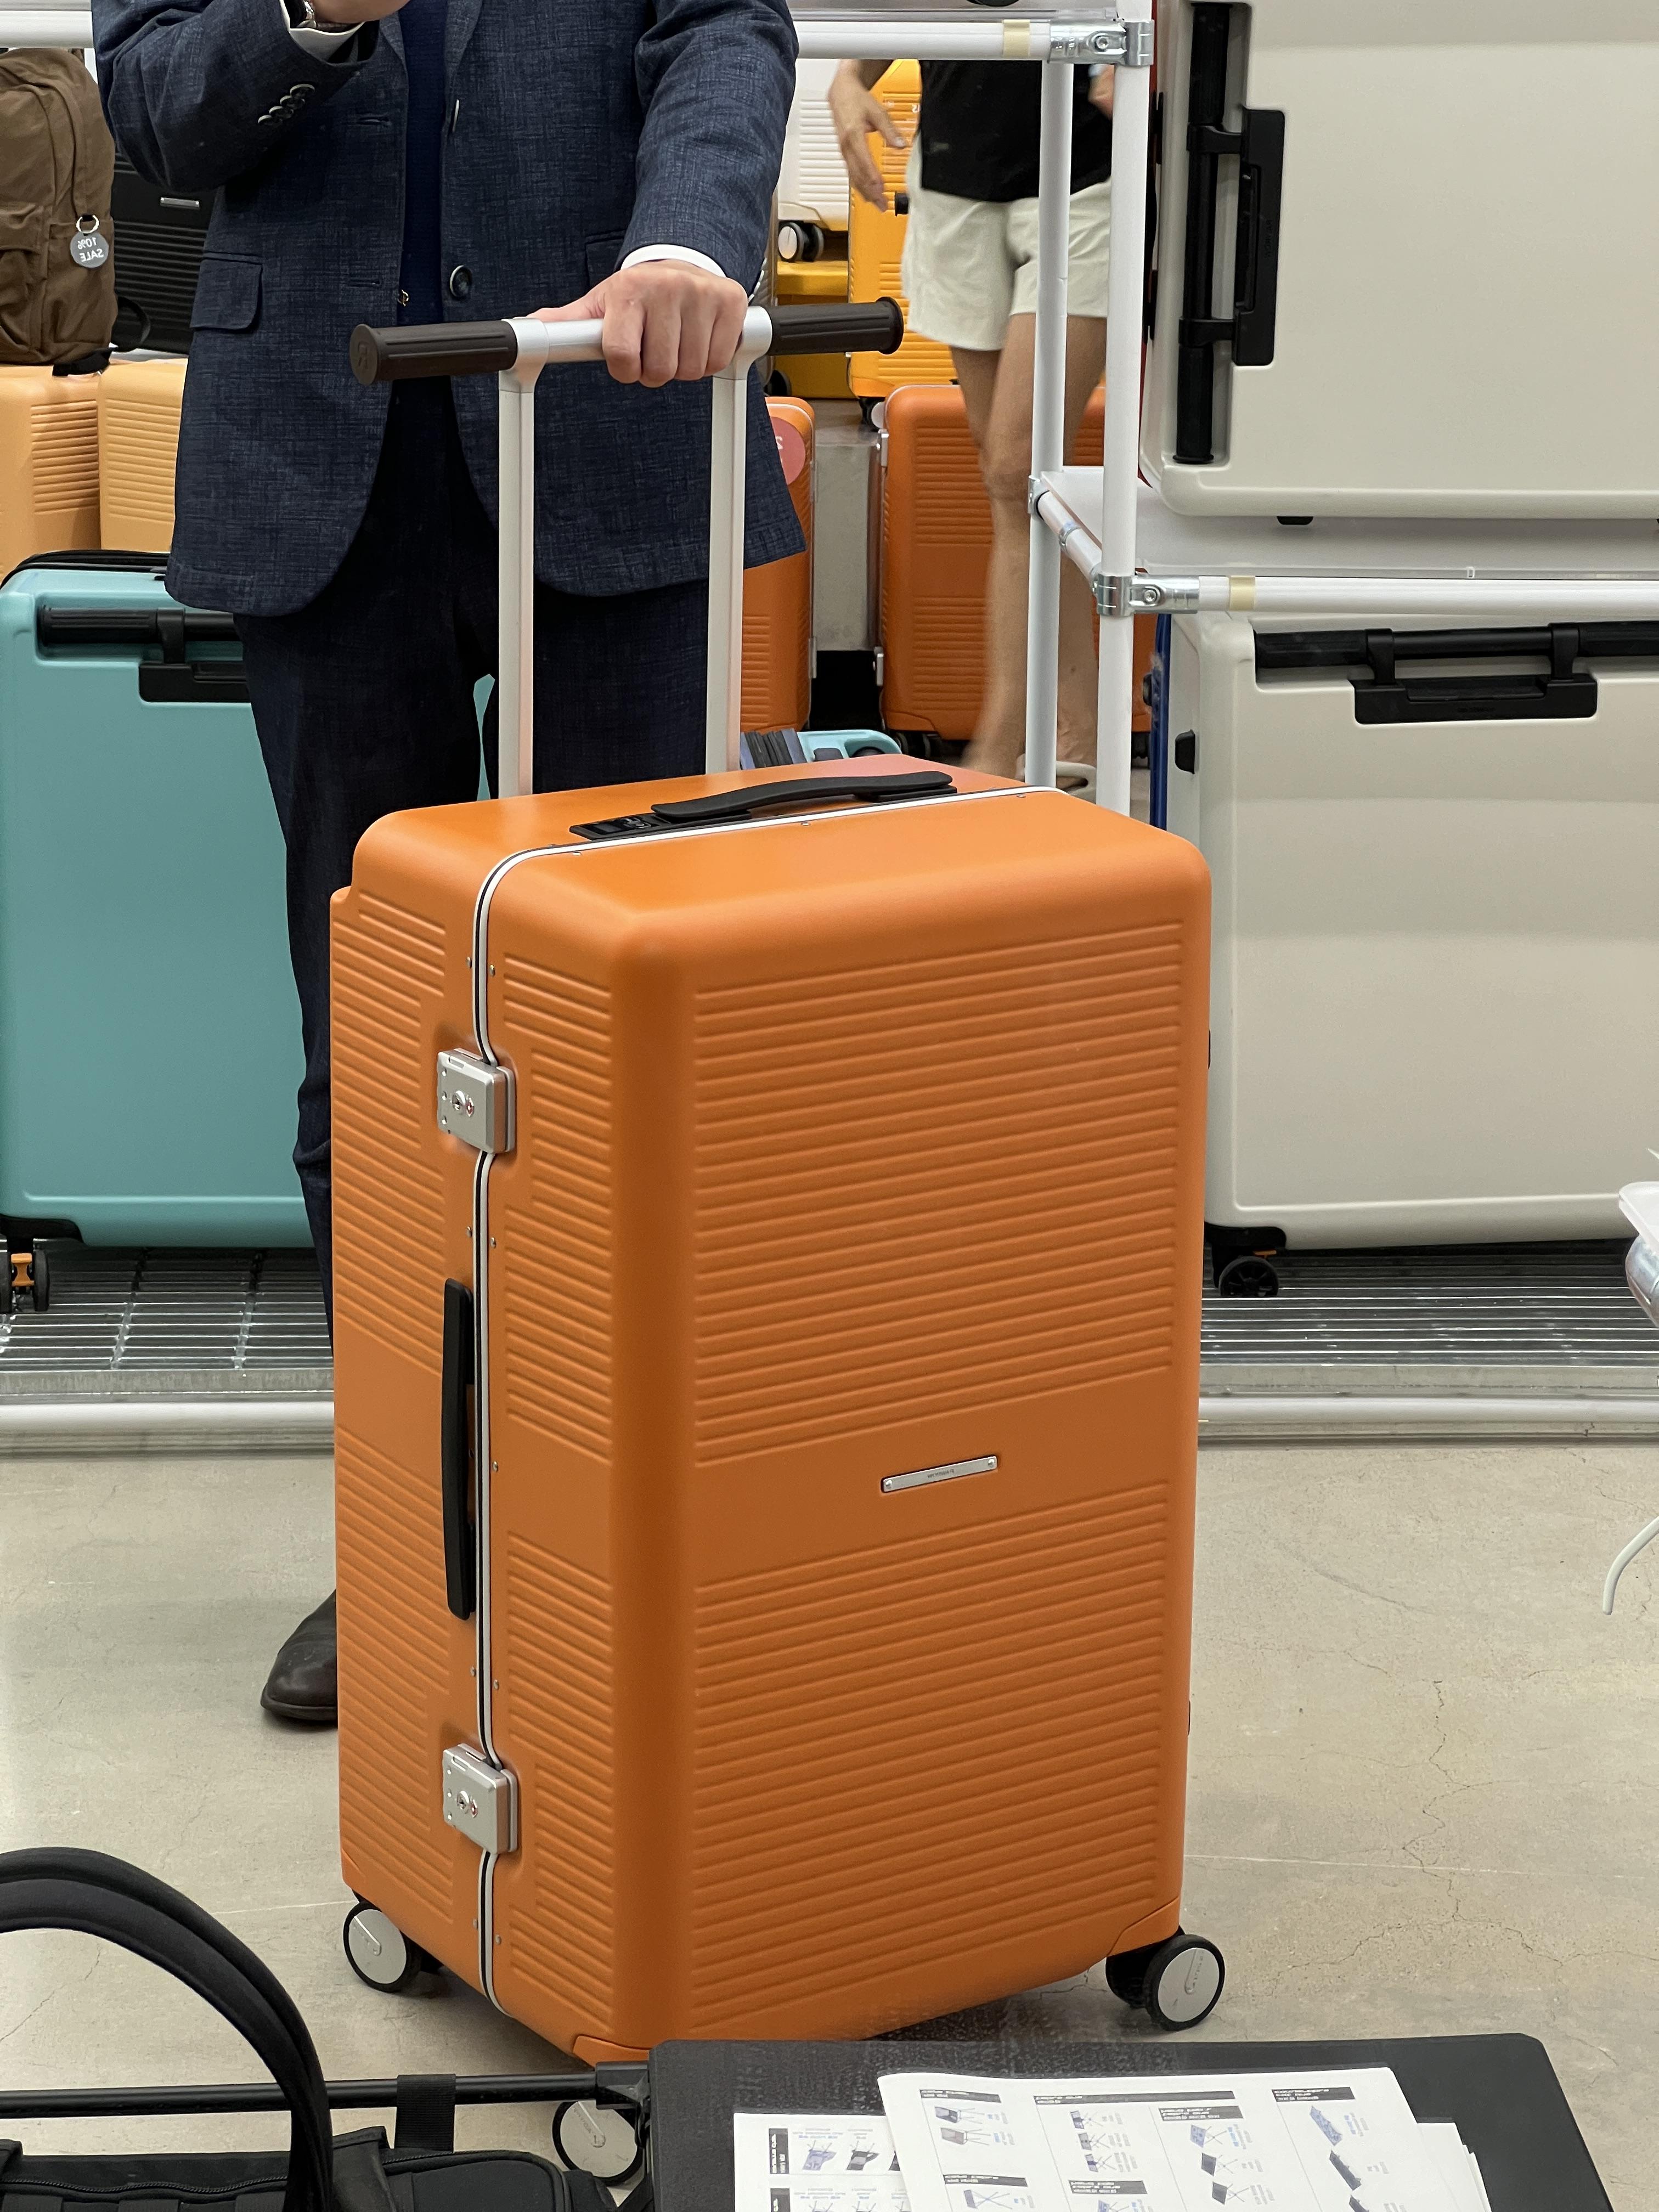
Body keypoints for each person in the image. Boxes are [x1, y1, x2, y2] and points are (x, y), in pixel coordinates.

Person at [93, 0, 800, 1726]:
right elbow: (157, 107)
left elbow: (724, 25)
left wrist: (690, 239)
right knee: (379, 1051)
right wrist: (304, 18)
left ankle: (633, 1537)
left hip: (613, 419)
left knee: (633, 1050)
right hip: (317, 458)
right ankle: (424, 1550)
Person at [829, 55, 1112, 779]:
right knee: (1020, 485)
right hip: (958, 171)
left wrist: (1152, 53)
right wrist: (849, 79)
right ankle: (1076, 734)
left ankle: (998, 748)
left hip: (1088, 168)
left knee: (1019, 467)